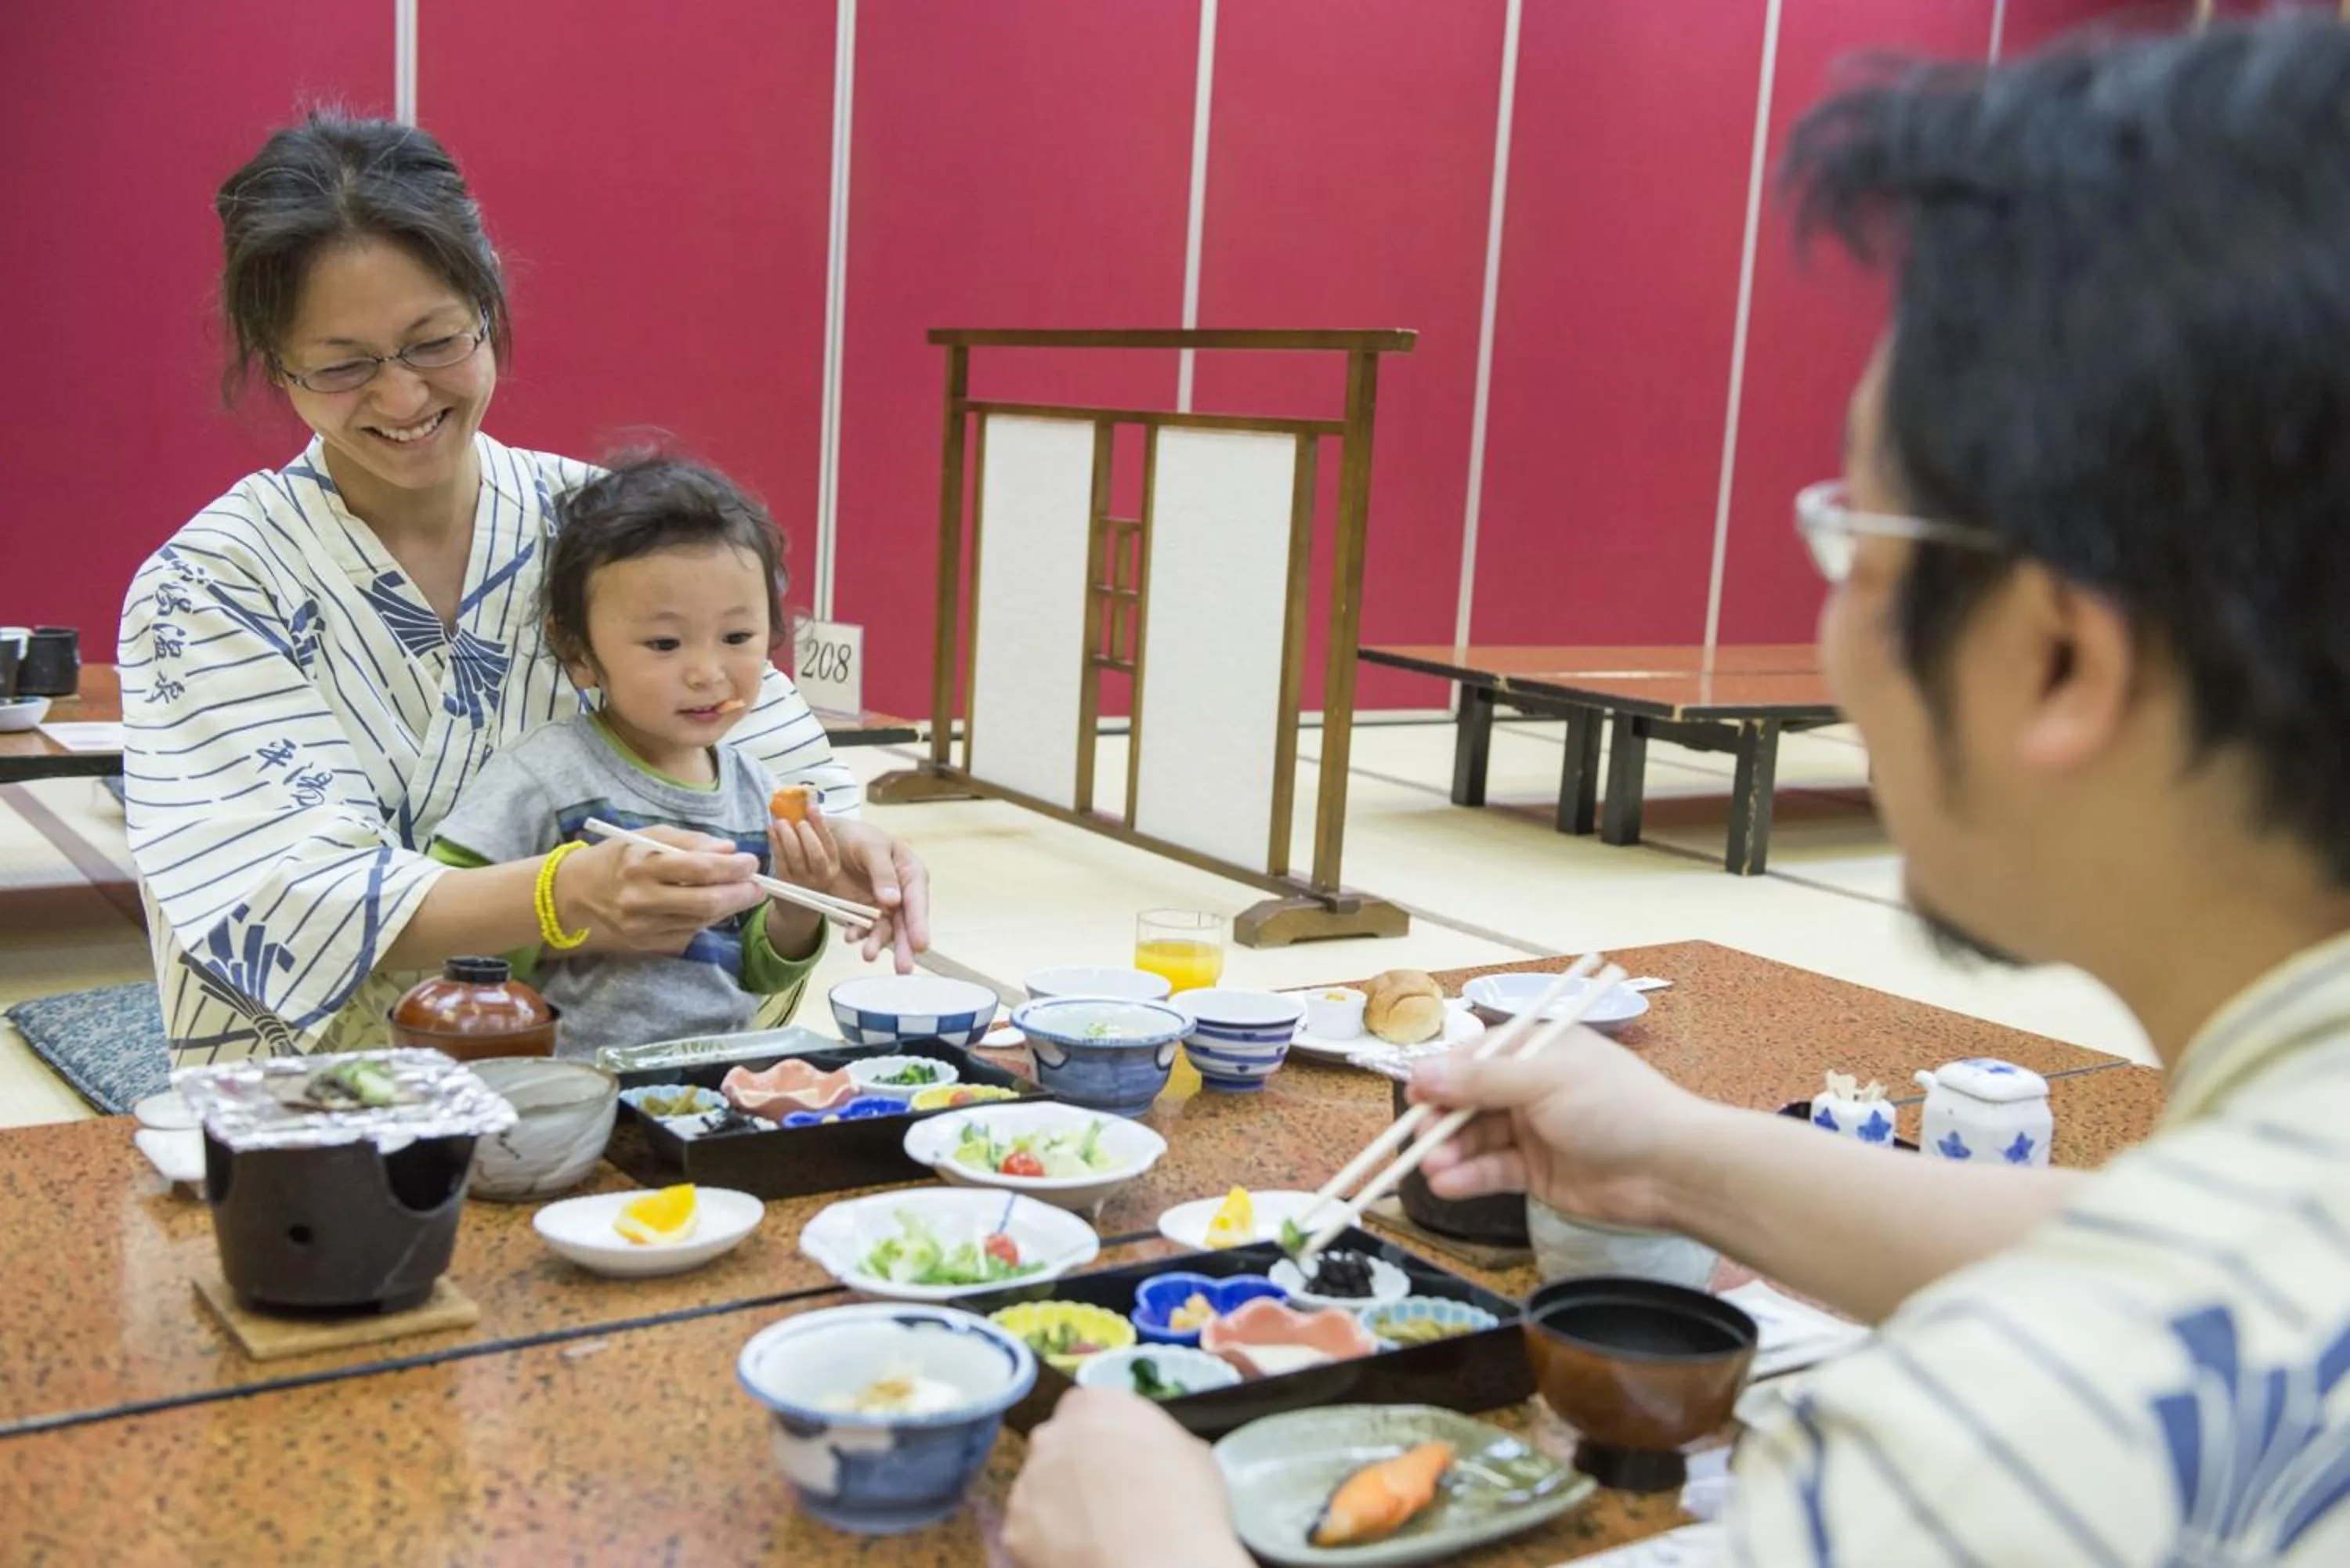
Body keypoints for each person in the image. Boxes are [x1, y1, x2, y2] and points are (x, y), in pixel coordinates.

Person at [1004, 17, 2350, 1566]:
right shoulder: (2234, 1249)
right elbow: (2139, 1253)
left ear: (2058, 659)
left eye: (1858, 538)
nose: (1835, 616)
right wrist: (1671, 1151)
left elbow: (2115, 1325)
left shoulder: (2003, 1432)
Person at [121, 114, 927, 1063]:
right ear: (279, 366)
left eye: (434, 342)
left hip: (615, 1080)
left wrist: (843, 843)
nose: (403, 398)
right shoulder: (211, 582)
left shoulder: (597, 523)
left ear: (489, 303)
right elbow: (275, 890)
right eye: (342, 366)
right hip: (333, 1091)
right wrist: (562, 894)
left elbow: (757, 745)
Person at [423, 456, 846, 1058]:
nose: (707, 673)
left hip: (715, 1079)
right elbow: (458, 931)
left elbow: (753, 973)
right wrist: (562, 910)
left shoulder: (757, 791)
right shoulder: (546, 775)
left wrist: (797, 904)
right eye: (665, 643)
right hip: (575, 1080)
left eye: (737, 637)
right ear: (579, 652)